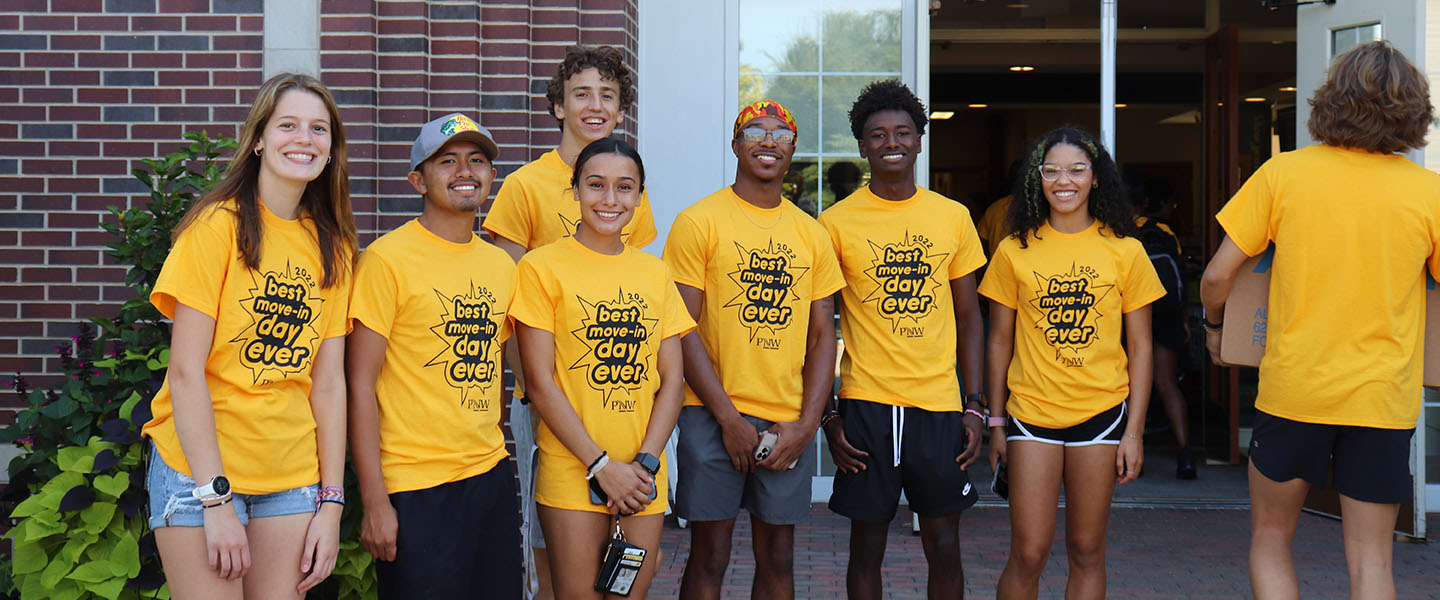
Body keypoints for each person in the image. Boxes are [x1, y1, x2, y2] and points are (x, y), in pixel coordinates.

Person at [1200, 40, 1440, 600]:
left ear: (1332, 101)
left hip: (1295, 392)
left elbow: (1215, 278)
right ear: (1413, 109)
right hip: (1381, 398)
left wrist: (1215, 331)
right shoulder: (1428, 191)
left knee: (1271, 537)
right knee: (1374, 562)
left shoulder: (1284, 174)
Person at [142, 72, 355, 598]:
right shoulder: (215, 228)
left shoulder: (334, 246)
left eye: (318, 129)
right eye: (287, 125)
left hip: (291, 477)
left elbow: (328, 385)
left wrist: (332, 501)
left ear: (331, 148)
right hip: (201, 473)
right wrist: (214, 501)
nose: (303, 139)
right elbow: (186, 373)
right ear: (258, 138)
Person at [480, 44, 657, 599]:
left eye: (607, 96)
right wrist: (534, 390)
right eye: (581, 94)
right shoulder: (525, 187)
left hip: (617, 385)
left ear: (622, 110)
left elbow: (638, 285)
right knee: (551, 538)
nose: (594, 105)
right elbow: (506, 301)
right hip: (548, 394)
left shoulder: (626, 183)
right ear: (558, 106)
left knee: (619, 543)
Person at [665, 100, 845, 600]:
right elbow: (683, 327)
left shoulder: (811, 233)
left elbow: (822, 335)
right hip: (710, 413)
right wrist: (728, 419)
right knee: (709, 555)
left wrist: (807, 426)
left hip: (785, 420)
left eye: (781, 135)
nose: (768, 141)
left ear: (793, 152)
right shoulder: (698, 221)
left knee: (779, 559)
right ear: (735, 145)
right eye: (754, 132)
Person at [817, 80, 987, 599]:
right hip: (866, 403)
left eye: (903, 132)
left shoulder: (952, 216)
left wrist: (975, 406)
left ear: (919, 140)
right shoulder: (835, 222)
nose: (891, 141)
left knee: (944, 543)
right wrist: (828, 413)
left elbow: (969, 317)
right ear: (862, 145)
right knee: (866, 546)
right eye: (877, 134)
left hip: (937, 405)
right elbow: (820, 327)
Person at [980, 127, 1165, 600]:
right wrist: (996, 423)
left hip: (1103, 417)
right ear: (1037, 179)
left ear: (1097, 178)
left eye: (1077, 169)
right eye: (1052, 170)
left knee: (1086, 549)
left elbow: (1141, 346)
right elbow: (998, 341)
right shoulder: (1013, 249)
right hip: (1032, 414)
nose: (1065, 180)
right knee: (1029, 552)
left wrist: (1135, 432)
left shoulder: (1125, 249)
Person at [346, 113, 522, 597]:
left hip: (489, 475)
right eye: (447, 161)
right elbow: (359, 386)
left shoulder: (499, 264)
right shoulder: (386, 260)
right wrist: (376, 500)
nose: (465, 170)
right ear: (418, 180)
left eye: (477, 160)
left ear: (491, 176)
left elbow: (498, 370)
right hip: (415, 484)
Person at [512, 138, 693, 600]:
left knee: (630, 595)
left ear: (639, 196)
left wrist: (645, 465)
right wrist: (600, 466)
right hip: (573, 471)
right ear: (575, 190)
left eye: (624, 187)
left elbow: (672, 380)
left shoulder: (655, 274)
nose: (610, 200)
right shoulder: (540, 268)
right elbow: (540, 381)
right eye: (596, 185)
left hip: (642, 477)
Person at [1130, 179, 1196, 479]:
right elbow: (1178, 277)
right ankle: (1186, 455)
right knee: (1168, 383)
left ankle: (1132, 451)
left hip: (1128, 315)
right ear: (1145, 203)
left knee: (1128, 386)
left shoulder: (1113, 233)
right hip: (1166, 315)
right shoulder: (1164, 232)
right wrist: (1183, 322)